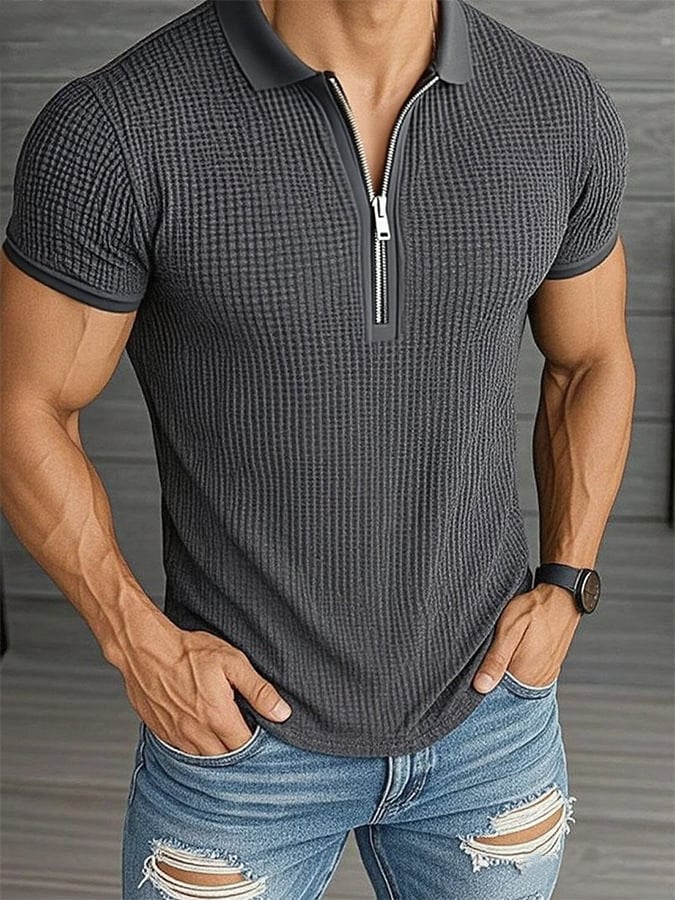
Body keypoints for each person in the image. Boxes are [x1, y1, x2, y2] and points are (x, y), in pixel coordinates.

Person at [0, 0, 635, 896]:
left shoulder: (556, 108)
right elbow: (23, 403)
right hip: (240, 741)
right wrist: (135, 641)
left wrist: (567, 585)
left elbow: (590, 360)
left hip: (490, 721)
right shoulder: (120, 128)